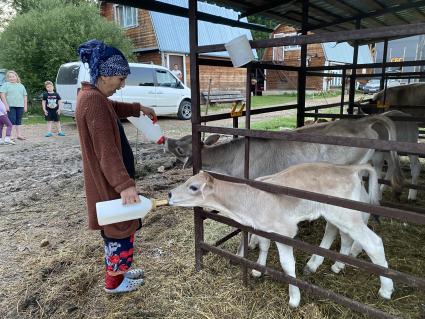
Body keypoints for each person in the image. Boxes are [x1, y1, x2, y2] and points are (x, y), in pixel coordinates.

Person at [75, 39, 157, 294]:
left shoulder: (91, 96)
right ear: (105, 74)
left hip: (107, 181)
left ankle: (119, 271)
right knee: (118, 231)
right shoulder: (94, 102)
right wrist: (125, 186)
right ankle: (115, 282)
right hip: (109, 184)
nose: (122, 84)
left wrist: (137, 108)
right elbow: (106, 152)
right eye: (120, 78)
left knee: (118, 231)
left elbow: (113, 107)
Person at [0, 70, 28, 140]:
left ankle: (19, 135)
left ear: (16, 77)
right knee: (11, 120)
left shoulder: (21, 85)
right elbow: (2, 95)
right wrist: (6, 105)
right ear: (7, 78)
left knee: (19, 120)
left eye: (13, 76)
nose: (12, 78)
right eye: (10, 77)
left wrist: (25, 106)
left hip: (20, 106)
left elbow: (25, 96)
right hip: (10, 106)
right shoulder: (5, 85)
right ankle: (10, 135)